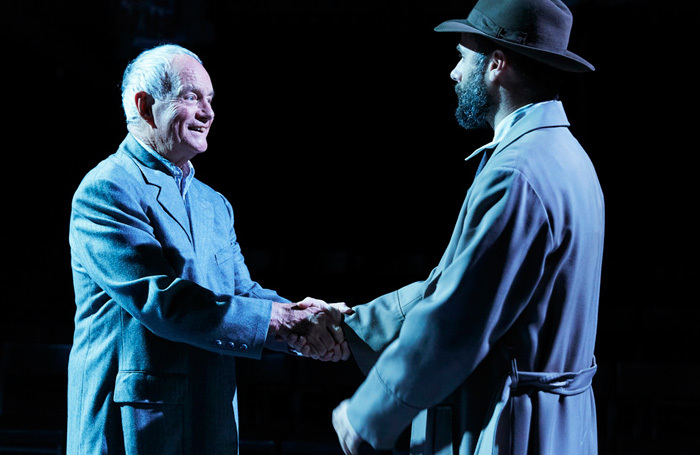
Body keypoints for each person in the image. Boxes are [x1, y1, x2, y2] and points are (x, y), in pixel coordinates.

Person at [328, 0, 604, 453]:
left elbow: (458, 319)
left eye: (462, 57)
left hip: (517, 431)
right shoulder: (566, 154)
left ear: (497, 65)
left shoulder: (519, 172)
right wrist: (354, 324)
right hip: (556, 427)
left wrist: (368, 416)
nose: (454, 73)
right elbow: (457, 282)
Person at [67, 44, 350, 455]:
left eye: (210, 99)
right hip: (136, 427)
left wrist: (304, 319)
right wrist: (281, 322)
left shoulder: (214, 203)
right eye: (190, 96)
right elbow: (162, 301)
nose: (208, 112)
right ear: (144, 106)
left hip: (211, 417)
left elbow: (242, 295)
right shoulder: (107, 188)